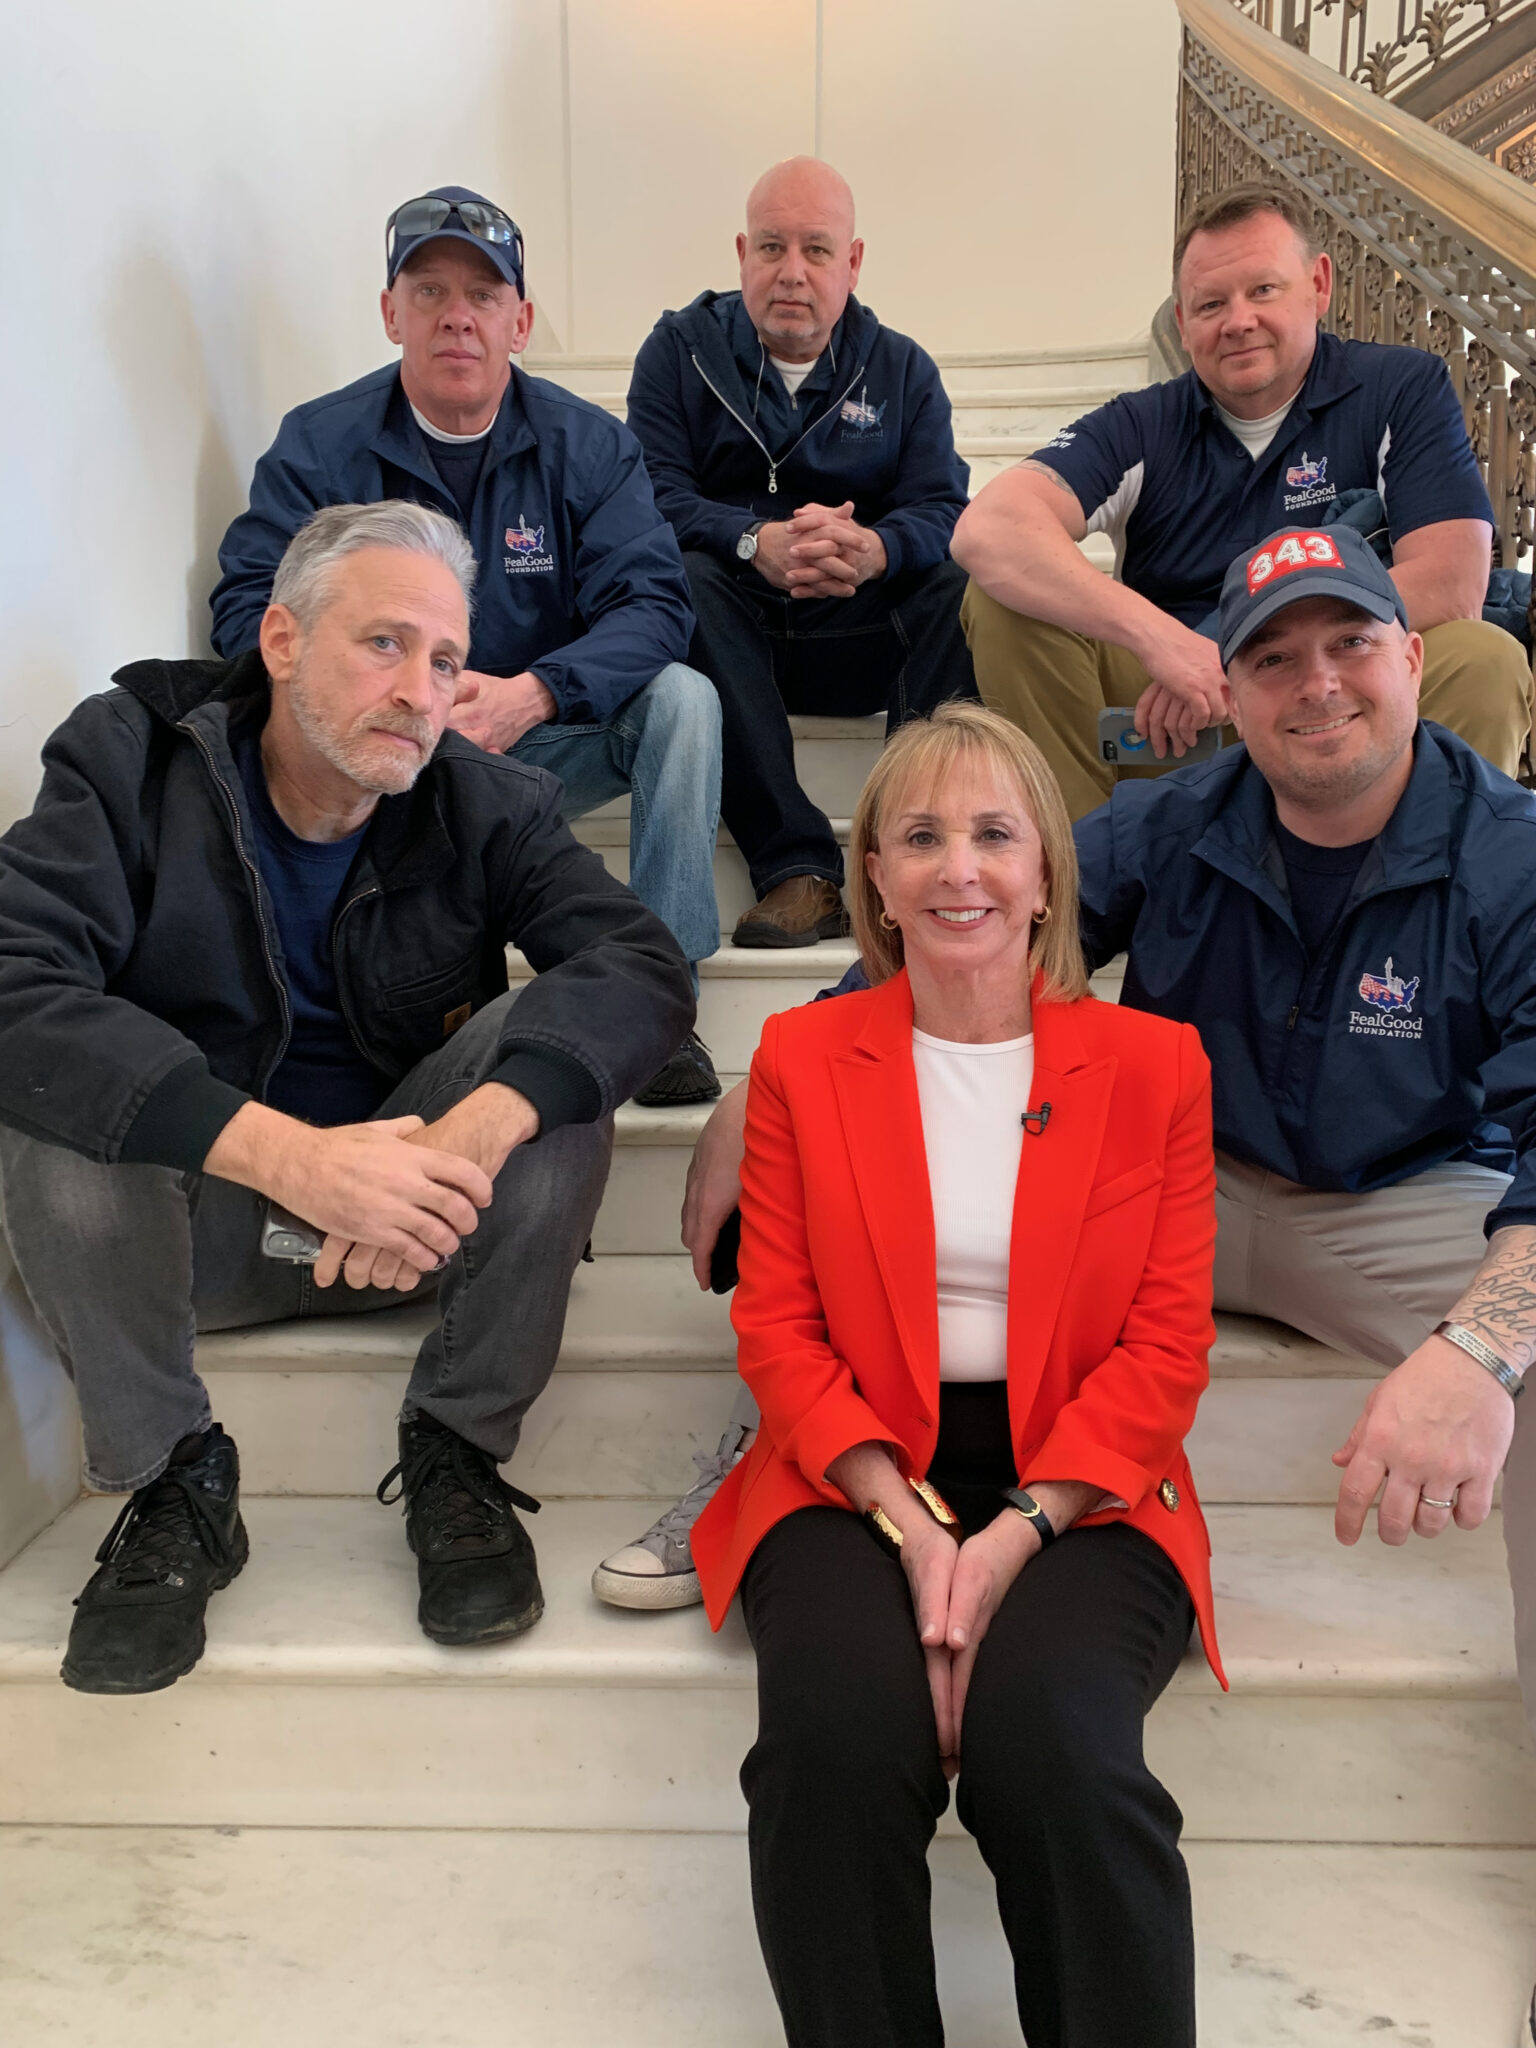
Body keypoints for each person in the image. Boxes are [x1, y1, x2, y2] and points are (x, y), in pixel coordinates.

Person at [598, 524, 1536, 1737]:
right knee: (855, 1210)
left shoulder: (1510, 855)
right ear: (1227, 692)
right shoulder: (1191, 814)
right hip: (1165, 1190)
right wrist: (767, 1083)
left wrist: (1479, 1350)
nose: (1316, 686)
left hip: (1385, 1207)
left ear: (1412, 656)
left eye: (1350, 643)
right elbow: (984, 911)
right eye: (1272, 660)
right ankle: (782, 1453)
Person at [0, 502, 693, 1695]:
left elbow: (643, 967)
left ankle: (456, 1451)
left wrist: (471, 1130)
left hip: (414, 1227)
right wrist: (285, 1156)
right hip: (195, 1233)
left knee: (554, 1059)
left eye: (445, 660)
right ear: (279, 638)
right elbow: (15, 977)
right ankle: (174, 1481)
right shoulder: (130, 753)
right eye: (384, 644)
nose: (421, 690)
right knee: (62, 1104)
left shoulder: (489, 798)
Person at [685, 702, 1221, 2048]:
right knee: (832, 1750)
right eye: (919, 837)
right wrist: (911, 1524)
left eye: (995, 833)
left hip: (1087, 1477)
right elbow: (780, 1325)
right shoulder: (805, 1059)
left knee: (1061, 1751)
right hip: (846, 1465)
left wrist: (1008, 1537)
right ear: (873, 875)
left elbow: (1166, 1347)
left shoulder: (1155, 1064)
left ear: (1048, 872)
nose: (959, 869)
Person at [212, 185, 722, 1105]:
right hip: (382, 753)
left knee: (685, 699)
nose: (458, 319)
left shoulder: (591, 447)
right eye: (431, 292)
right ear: (389, 313)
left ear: (520, 322)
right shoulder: (319, 446)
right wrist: (375, 689)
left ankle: (669, 997)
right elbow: (251, 604)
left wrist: (538, 690)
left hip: (534, 741)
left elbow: (654, 602)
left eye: (483, 297)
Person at [951, 182, 1532, 820]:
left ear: (1319, 285)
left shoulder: (1401, 387)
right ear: (1182, 322)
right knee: (1000, 600)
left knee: (1486, 659)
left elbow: (1451, 582)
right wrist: (1163, 644)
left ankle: (1427, 900)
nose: (1238, 321)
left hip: (1335, 680)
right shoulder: (1141, 423)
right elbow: (990, 528)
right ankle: (1088, 883)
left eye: (1263, 290)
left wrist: (1231, 649)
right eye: (1210, 304)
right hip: (1176, 712)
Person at [626, 156, 976, 948]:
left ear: (852, 263)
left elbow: (945, 510)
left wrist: (876, 550)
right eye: (772, 248)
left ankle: (908, 851)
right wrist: (754, 541)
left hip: (857, 635)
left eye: (816, 250)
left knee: (959, 582)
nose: (792, 272)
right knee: (680, 573)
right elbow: (649, 496)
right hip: (729, 634)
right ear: (741, 254)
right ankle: (799, 871)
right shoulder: (676, 355)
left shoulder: (904, 369)